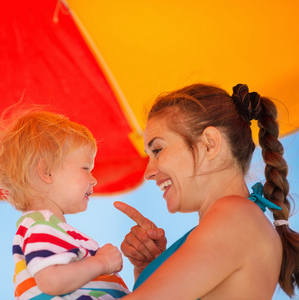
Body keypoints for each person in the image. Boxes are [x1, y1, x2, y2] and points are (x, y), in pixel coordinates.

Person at [114, 83, 299, 299]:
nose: (148, 172)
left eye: (157, 150)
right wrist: (150, 271)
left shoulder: (237, 217)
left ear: (209, 144)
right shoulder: (242, 218)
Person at [0, 108, 130, 299]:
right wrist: (101, 263)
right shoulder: (41, 226)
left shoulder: (45, 227)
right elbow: (51, 281)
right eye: (86, 168)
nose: (93, 179)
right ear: (47, 171)